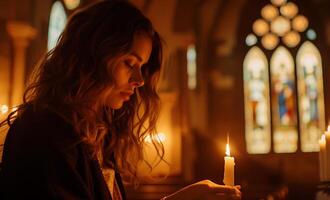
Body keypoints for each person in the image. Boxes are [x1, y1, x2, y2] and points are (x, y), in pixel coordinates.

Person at [0, 1, 241, 200]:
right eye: (130, 63)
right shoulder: (43, 131)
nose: (139, 80)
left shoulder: (96, 135)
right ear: (94, 56)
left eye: (142, 67)